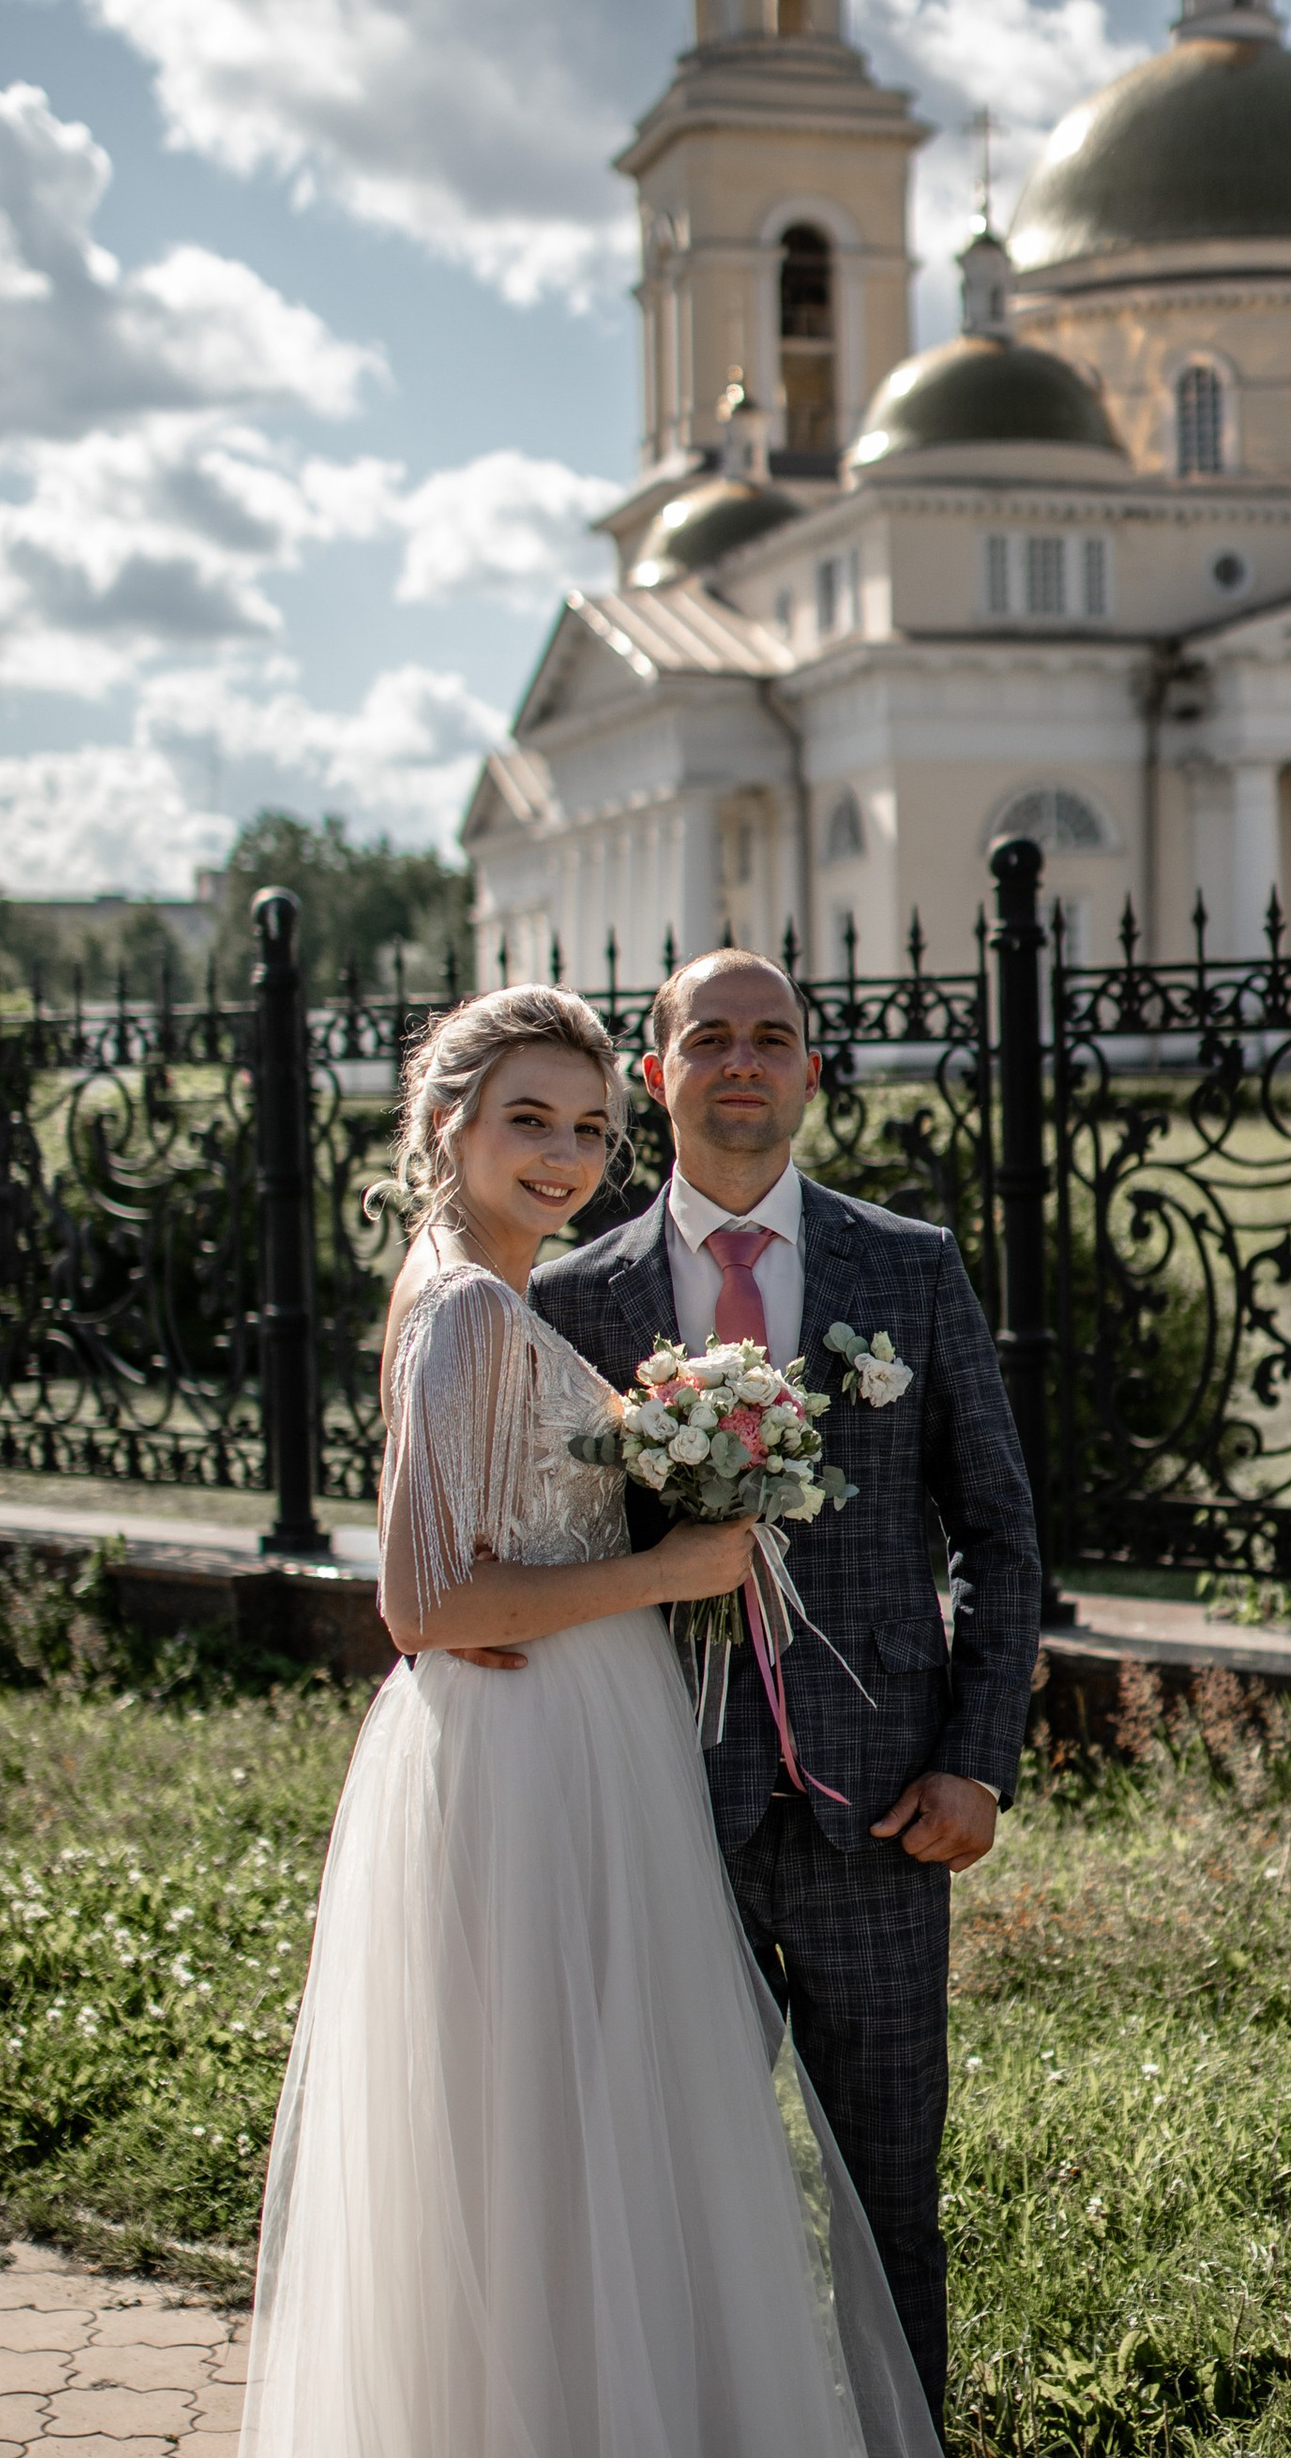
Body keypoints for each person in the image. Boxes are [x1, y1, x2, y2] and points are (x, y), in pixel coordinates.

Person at [240, 984, 940, 2458]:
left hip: (563, 1727)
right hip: (536, 1749)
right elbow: (424, 1602)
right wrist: (670, 1573)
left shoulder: (481, 1283)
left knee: (551, 2129)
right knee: (558, 2118)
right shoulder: (472, 1306)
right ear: (448, 1126)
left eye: (586, 1129)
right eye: (528, 1123)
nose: (563, 1157)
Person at [534, 950, 1042, 2430]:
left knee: (891, 2200)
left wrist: (977, 1761)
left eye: (772, 1038)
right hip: (659, 1810)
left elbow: (999, 1531)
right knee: (669, 2193)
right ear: (656, 1078)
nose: (742, 1062)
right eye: (709, 1039)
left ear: (813, 1073)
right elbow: (544, 1549)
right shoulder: (573, 1296)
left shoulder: (909, 1266)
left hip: (881, 1814)